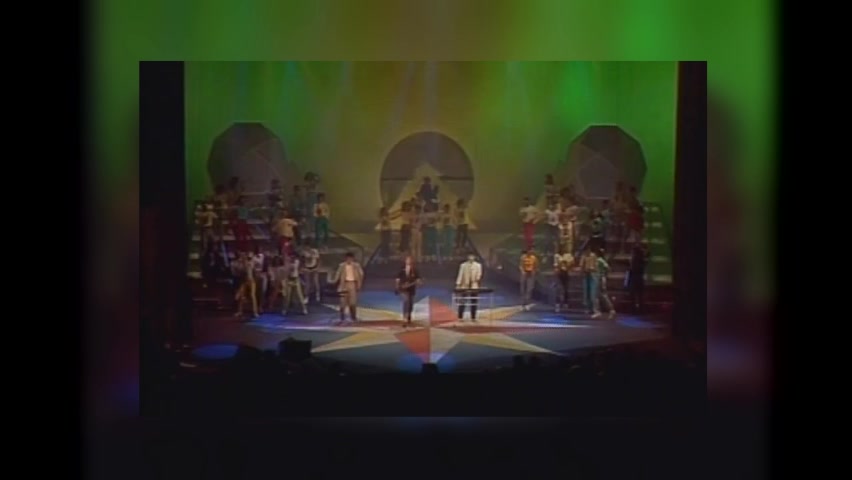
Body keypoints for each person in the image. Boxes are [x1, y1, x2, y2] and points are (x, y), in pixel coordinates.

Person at [329, 252, 363, 323]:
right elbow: (338, 274)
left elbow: (361, 274)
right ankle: (342, 318)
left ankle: (353, 317)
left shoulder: (356, 266)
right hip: (344, 284)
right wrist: (333, 281)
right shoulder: (342, 266)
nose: (349, 260)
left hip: (352, 284)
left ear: (353, 259)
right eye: (348, 258)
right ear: (345, 258)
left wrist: (359, 284)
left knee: (352, 302)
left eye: (350, 258)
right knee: (342, 302)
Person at [455, 252, 482, 322]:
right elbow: (460, 275)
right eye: (470, 256)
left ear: (474, 257)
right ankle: (460, 317)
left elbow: (479, 275)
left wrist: (476, 278)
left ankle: (473, 317)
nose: (471, 257)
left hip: (474, 286)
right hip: (464, 286)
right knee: (462, 302)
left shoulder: (478, 265)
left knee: (474, 302)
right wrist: (458, 284)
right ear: (467, 257)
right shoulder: (463, 265)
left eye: (472, 256)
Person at [395, 255, 422, 327]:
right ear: (405, 261)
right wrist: (397, 286)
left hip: (411, 289)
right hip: (403, 289)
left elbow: (418, 279)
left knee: (410, 303)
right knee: (406, 301)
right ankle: (405, 318)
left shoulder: (415, 270)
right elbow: (397, 278)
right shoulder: (402, 269)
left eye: (410, 260)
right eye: (408, 260)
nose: (409, 261)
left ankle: (409, 315)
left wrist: (418, 282)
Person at [233, 252, 259, 318]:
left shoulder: (251, 263)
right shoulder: (242, 264)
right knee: (242, 296)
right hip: (244, 281)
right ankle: (240, 311)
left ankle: (255, 312)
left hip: (251, 281)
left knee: (252, 296)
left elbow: (253, 270)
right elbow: (239, 272)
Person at [627, 242, 649, 313]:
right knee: (639, 294)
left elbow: (633, 269)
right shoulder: (640, 259)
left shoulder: (636, 259)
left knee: (635, 294)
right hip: (638, 277)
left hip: (636, 277)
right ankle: (639, 308)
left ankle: (635, 308)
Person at [580, 249, 602, 319]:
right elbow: (581, 266)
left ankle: (597, 311)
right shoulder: (583, 256)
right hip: (586, 276)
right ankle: (589, 308)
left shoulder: (593, 256)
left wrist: (591, 269)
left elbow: (595, 267)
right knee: (587, 293)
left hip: (593, 276)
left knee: (593, 294)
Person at [553, 245, 575, 313]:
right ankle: (557, 304)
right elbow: (556, 265)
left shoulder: (568, 255)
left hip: (566, 272)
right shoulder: (557, 256)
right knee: (558, 289)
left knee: (566, 288)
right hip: (559, 273)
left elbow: (572, 262)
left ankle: (566, 302)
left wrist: (568, 264)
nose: (562, 249)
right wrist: (559, 266)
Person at [596, 249, 616, 319]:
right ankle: (598, 311)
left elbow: (608, 268)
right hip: (601, 278)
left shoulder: (599, 260)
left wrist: (602, 274)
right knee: (598, 295)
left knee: (602, 295)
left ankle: (611, 310)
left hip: (600, 279)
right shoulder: (602, 260)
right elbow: (608, 268)